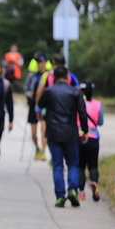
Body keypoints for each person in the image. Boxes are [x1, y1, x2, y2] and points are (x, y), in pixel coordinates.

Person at [37, 66, 89, 208]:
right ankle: (73, 189)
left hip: (53, 133)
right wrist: (84, 130)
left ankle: (60, 197)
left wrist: (41, 114)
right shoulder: (75, 92)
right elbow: (82, 112)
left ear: (53, 78)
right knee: (73, 164)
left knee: (58, 165)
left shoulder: (49, 91)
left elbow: (39, 106)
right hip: (71, 133)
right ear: (67, 77)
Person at [77, 80, 104, 201]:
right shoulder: (98, 104)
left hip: (79, 136)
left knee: (80, 166)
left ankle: (81, 192)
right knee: (93, 166)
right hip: (93, 138)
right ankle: (94, 183)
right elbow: (101, 122)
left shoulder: (77, 102)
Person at [24, 53, 49, 161]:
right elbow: (25, 89)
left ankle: (43, 150)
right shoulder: (32, 76)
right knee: (33, 132)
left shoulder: (49, 76)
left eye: (42, 62)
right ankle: (37, 149)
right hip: (33, 104)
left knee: (44, 130)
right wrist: (28, 94)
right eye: (38, 62)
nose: (40, 64)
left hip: (45, 105)